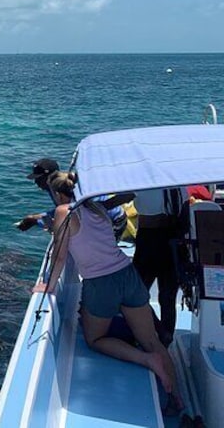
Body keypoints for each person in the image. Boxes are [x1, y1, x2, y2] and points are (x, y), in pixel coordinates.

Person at [35, 172, 182, 410]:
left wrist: (47, 287)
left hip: (101, 282)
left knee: (95, 339)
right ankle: (177, 398)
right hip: (127, 273)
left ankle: (146, 360)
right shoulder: (98, 209)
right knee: (153, 341)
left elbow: (60, 256)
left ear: (59, 194)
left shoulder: (65, 212)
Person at [16, 158, 128, 241]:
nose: (35, 183)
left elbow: (70, 213)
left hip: (112, 220)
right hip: (93, 219)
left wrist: (36, 220)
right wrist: (35, 218)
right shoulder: (52, 189)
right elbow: (63, 211)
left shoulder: (68, 188)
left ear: (48, 177)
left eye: (38, 179)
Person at [131, 187, 188, 346]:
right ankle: (166, 337)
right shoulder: (180, 189)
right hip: (174, 244)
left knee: (136, 294)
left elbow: (117, 200)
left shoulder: (143, 185)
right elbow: (185, 222)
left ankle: (157, 330)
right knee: (168, 297)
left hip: (148, 242)